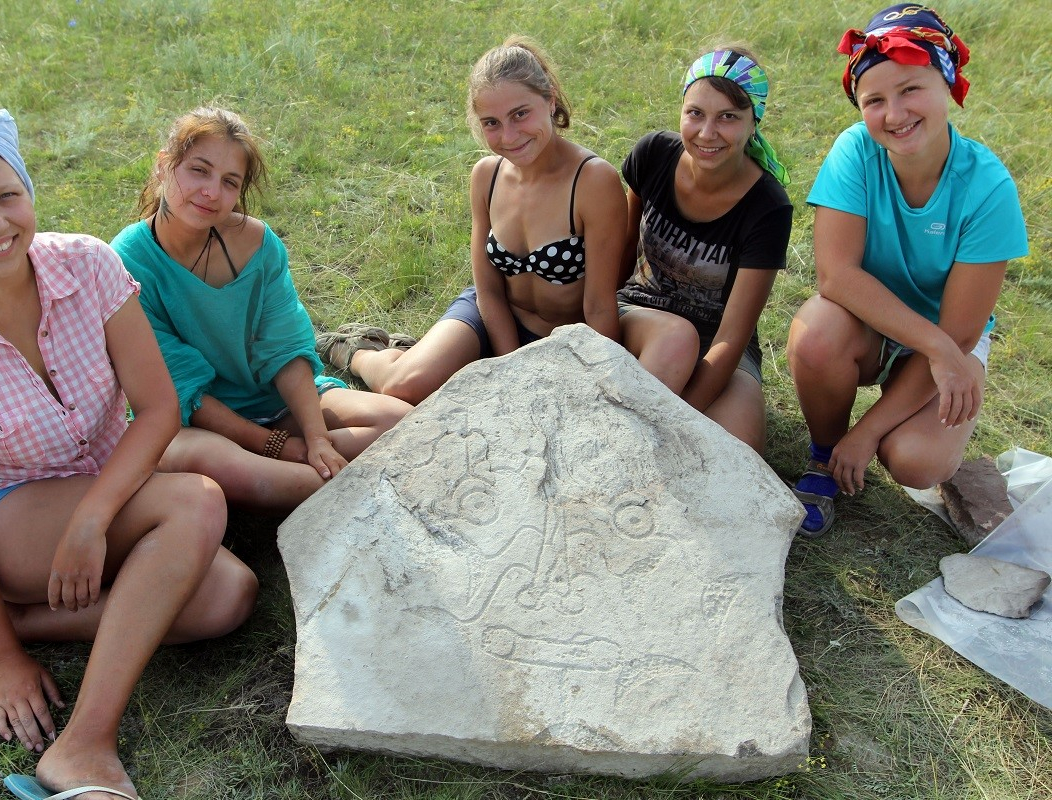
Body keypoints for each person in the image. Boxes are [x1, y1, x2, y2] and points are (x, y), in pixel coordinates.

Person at [0, 106, 258, 800]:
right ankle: (81, 746)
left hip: (102, 498)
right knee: (196, 500)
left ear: (28, 195)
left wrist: (91, 521)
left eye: (8, 196)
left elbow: (159, 408)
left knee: (228, 596)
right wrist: (6, 662)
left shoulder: (87, 264)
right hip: (8, 523)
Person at [787, 4, 1028, 537]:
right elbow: (836, 277)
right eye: (874, 100)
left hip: (949, 336)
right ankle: (823, 456)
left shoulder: (988, 187)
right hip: (867, 320)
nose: (894, 113)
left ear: (946, 84)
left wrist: (869, 432)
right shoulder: (855, 150)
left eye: (911, 89)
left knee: (917, 461)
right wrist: (939, 351)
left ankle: (874, 432)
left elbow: (960, 332)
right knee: (815, 335)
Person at [110, 108, 412, 513]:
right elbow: (181, 389)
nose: (211, 192)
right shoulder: (124, 262)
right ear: (164, 166)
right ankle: (314, 479)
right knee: (238, 469)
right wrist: (276, 446)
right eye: (198, 171)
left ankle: (314, 474)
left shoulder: (257, 244)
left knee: (402, 421)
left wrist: (316, 437)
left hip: (274, 403)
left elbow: (285, 347)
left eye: (228, 182)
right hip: (194, 423)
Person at [315, 36, 627, 405]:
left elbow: (600, 308)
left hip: (565, 337)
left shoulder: (593, 181)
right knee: (404, 387)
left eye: (520, 114)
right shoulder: (486, 176)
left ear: (550, 99)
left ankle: (418, 350)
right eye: (491, 122)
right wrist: (510, 366)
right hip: (494, 318)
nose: (509, 136)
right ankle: (357, 350)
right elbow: (489, 291)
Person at [617, 47, 793, 453]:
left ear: (754, 124)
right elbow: (619, 257)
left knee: (736, 456)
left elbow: (733, 335)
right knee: (672, 347)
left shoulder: (768, 206)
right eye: (695, 113)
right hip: (640, 317)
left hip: (717, 345)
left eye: (728, 117)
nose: (707, 132)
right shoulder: (654, 155)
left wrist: (680, 413)